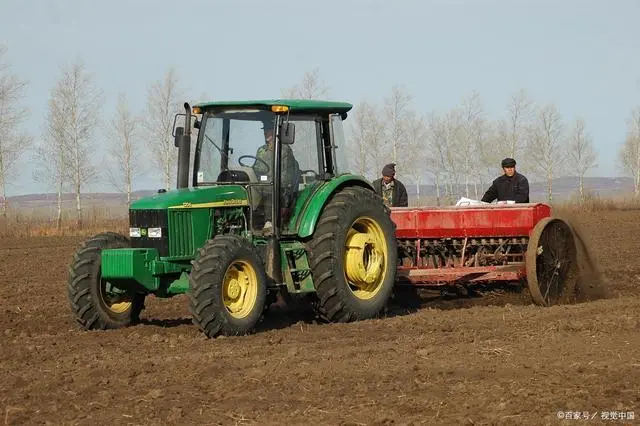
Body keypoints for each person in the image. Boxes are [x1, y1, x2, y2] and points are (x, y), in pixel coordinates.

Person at [253, 120, 300, 230]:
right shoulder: (261, 150)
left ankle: (269, 222)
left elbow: (285, 174)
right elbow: (256, 168)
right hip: (262, 185)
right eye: (264, 130)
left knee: (270, 188)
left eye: (268, 130)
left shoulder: (283, 150)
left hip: (280, 187)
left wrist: (268, 181)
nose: (265, 133)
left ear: (275, 132)